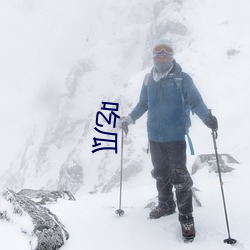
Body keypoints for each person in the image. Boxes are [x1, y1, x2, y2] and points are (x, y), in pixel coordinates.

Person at [119, 39, 218, 242]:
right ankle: (165, 204)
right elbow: (143, 103)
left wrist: (207, 119)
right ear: (153, 57)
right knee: (160, 173)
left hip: (175, 137)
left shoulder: (182, 79)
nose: (162, 57)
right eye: (158, 54)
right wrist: (130, 118)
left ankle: (186, 219)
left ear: (172, 57)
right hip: (154, 137)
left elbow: (196, 101)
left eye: (166, 54)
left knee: (180, 178)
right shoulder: (148, 80)